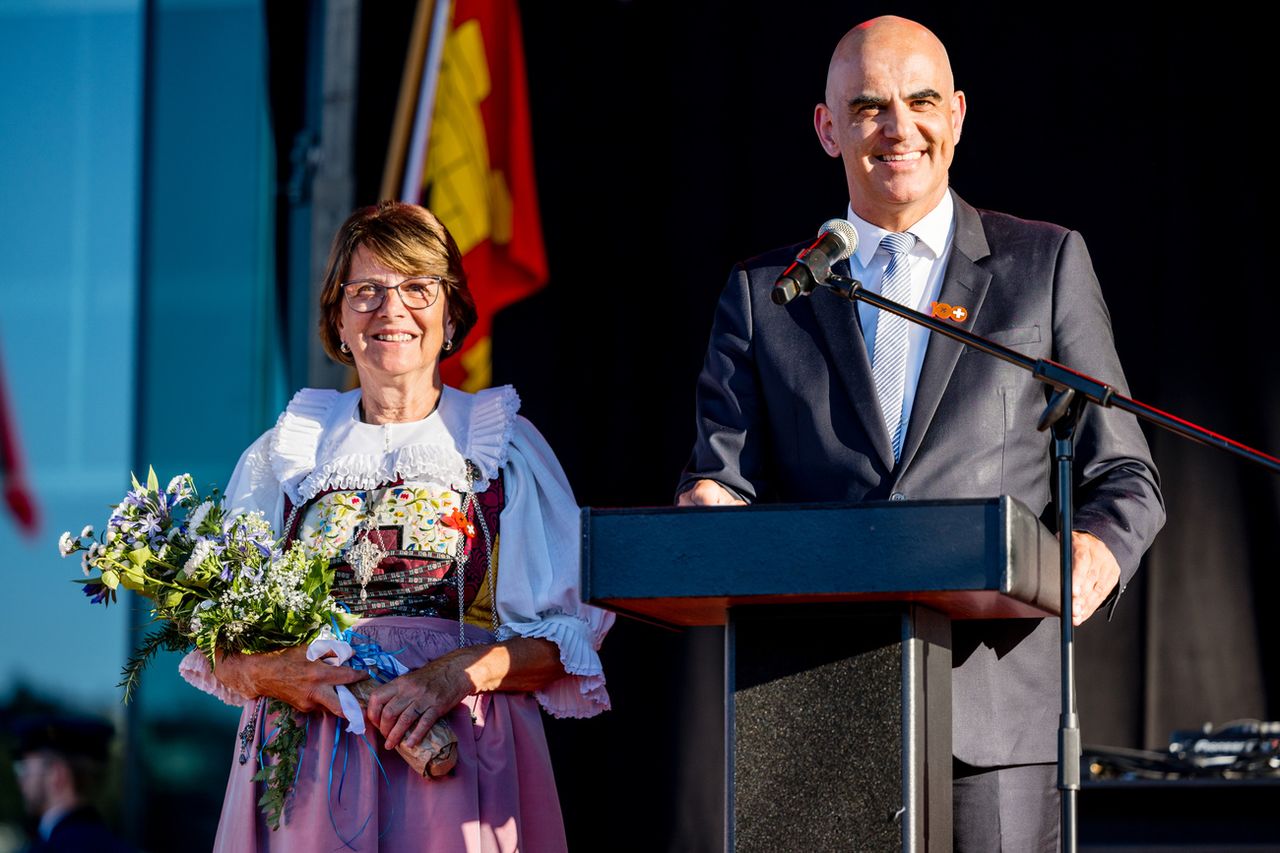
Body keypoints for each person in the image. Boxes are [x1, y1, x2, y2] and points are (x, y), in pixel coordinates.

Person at [677, 16, 1164, 851]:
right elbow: (721, 477)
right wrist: (707, 505)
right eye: (868, 107)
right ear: (829, 129)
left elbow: (1125, 475)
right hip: (816, 715)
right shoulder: (767, 293)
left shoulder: (1041, 266)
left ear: (959, 115)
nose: (898, 127)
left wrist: (1091, 555)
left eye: (922, 101)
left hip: (999, 710)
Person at [179, 201, 613, 851]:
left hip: (458, 755)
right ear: (338, 317)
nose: (392, 309)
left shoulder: (502, 447)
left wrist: (453, 672)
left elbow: (564, 642)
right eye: (367, 291)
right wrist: (281, 673)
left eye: (417, 287)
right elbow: (221, 649)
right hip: (306, 767)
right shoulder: (288, 452)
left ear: (451, 313)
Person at [12, 716, 134, 853]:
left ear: (56, 775)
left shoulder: (49, 848)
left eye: (24, 769)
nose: (20, 781)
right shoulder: (118, 846)